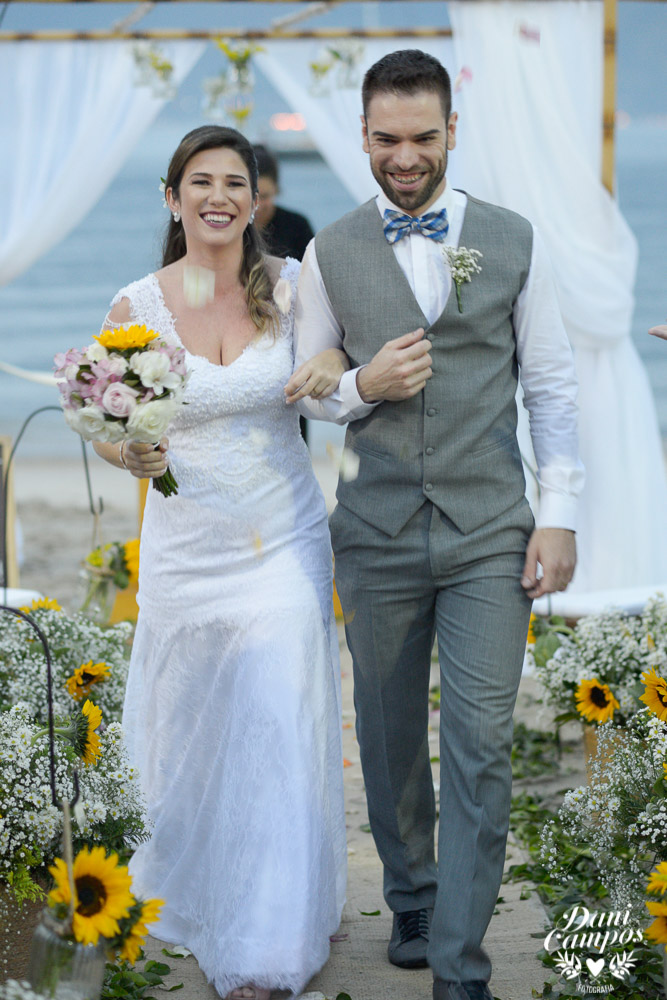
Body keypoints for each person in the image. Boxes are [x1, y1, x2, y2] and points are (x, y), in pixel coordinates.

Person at [285, 50, 584, 1000]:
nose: (404, 155)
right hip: (371, 530)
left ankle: (459, 965)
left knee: (480, 741)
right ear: (363, 136)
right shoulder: (326, 253)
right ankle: (410, 891)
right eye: (385, 139)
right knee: (382, 731)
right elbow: (308, 386)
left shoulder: (514, 239)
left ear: (451, 132)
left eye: (421, 137)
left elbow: (550, 384)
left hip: (490, 526)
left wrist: (562, 516)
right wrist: (361, 387)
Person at [93, 125, 348, 1000]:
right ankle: (200, 894)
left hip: (282, 542)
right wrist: (130, 456)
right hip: (184, 550)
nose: (219, 196)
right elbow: (111, 427)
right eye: (200, 181)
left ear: (255, 198)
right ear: (172, 198)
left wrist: (333, 361)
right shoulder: (135, 304)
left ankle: (269, 940)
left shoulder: (292, 282)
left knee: (276, 721)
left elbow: (335, 367)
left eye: (234, 181)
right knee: (194, 730)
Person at [252, 144, 315, 261]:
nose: (257, 205)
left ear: (276, 190)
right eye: (252, 196)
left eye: (264, 196)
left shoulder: (297, 226)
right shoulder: (234, 226)